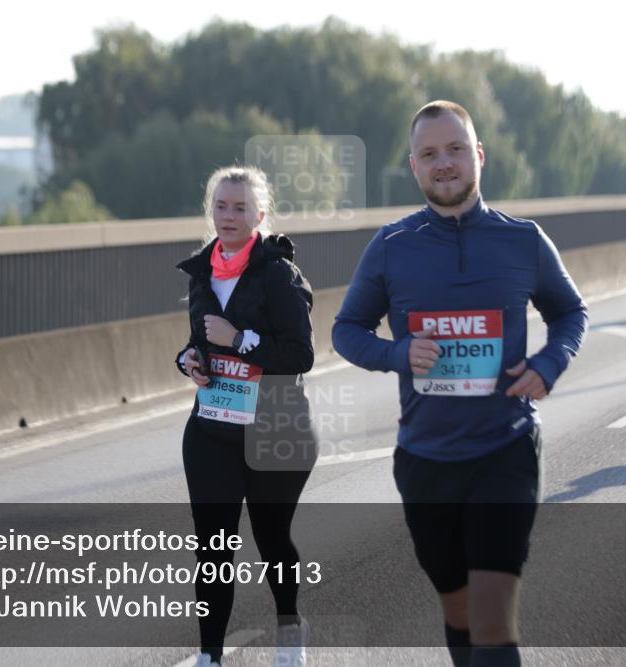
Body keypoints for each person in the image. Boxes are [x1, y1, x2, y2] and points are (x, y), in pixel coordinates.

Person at [332, 100, 587, 667]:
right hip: (425, 461)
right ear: (414, 166)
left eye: (454, 150)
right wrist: (399, 353)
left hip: (506, 449)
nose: (443, 163)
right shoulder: (391, 246)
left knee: (494, 619)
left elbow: (571, 313)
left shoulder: (523, 241)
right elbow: (345, 330)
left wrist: (549, 365)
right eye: (429, 154)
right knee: (461, 613)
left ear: (478, 156)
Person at [175, 166, 316, 667]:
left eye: (240, 208)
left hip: (275, 427)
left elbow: (300, 355)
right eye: (220, 206)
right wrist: (188, 360)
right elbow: (199, 341)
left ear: (260, 215)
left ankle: (290, 629)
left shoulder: (279, 274)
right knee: (213, 546)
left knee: (272, 539)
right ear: (210, 212)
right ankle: (210, 654)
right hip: (212, 430)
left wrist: (239, 340)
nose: (228, 215)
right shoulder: (201, 273)